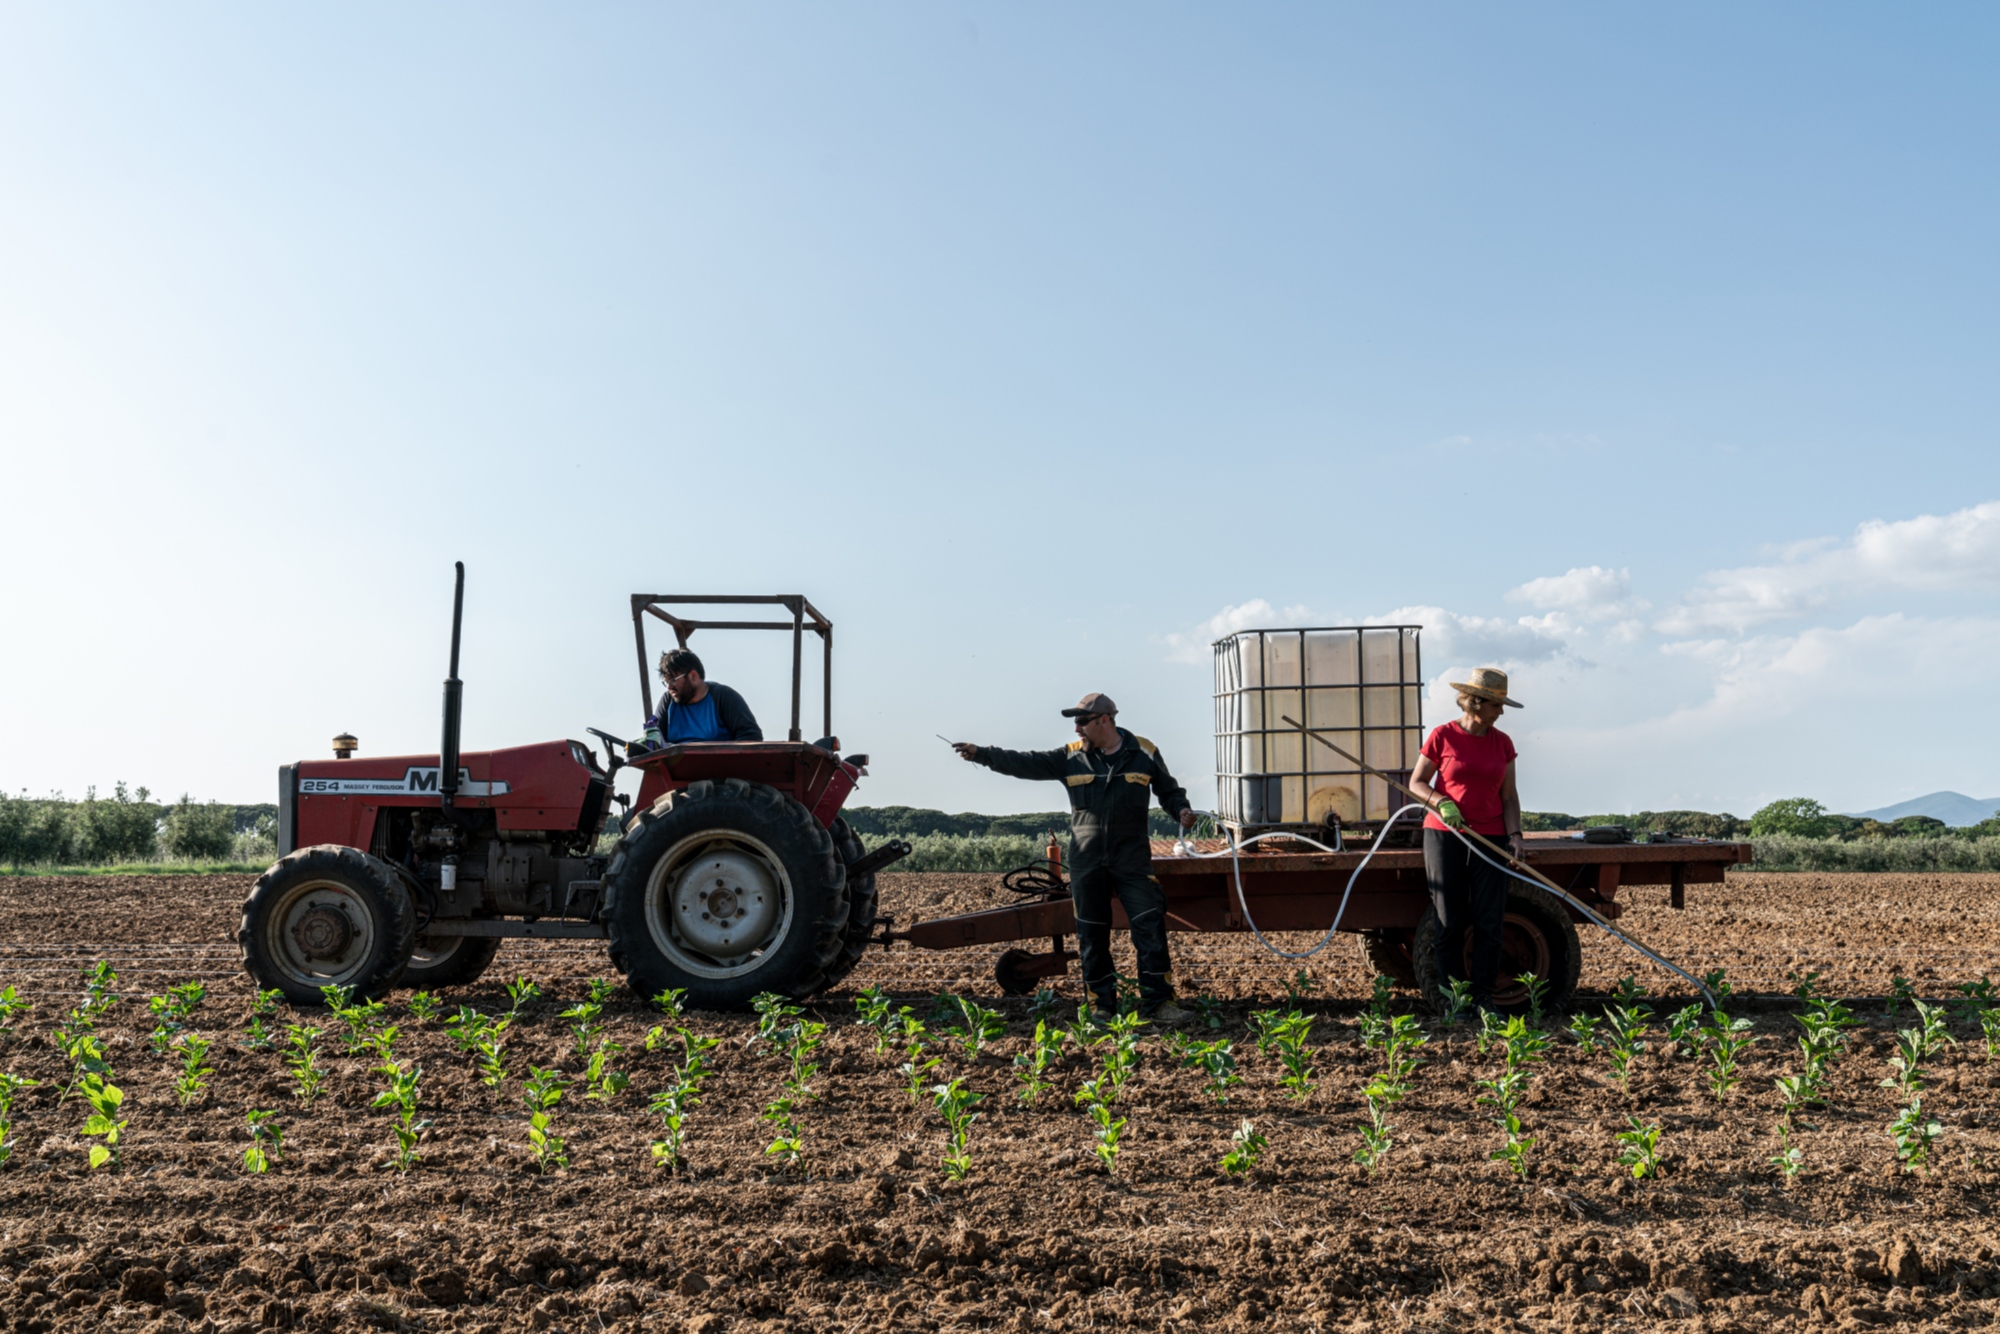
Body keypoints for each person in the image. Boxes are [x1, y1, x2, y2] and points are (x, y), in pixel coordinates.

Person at [954, 693, 1197, 1021]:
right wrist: (983, 754)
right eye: (1075, 722)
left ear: (1105, 721)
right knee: (1092, 936)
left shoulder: (1144, 751)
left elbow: (1167, 789)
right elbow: (1024, 762)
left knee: (1149, 927)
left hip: (1132, 859)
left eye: (1082, 721)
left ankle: (1160, 1005)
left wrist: (1180, 808)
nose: (1076, 728)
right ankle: (1101, 1009)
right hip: (1087, 861)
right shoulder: (1070, 758)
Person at [1407, 666, 1526, 1010]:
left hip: (1491, 838)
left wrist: (1515, 835)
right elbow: (1416, 784)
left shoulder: (1503, 743)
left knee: (1489, 921)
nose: (1500, 713)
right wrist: (1441, 802)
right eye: (1495, 705)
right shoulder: (1442, 736)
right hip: (1445, 835)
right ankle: (1454, 1001)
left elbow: (1509, 797)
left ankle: (1483, 998)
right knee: (1450, 919)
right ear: (1475, 703)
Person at [631, 649, 763, 752]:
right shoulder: (668, 701)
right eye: (666, 682)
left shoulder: (723, 697)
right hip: (678, 774)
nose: (669, 687)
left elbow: (751, 736)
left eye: (672, 680)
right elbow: (654, 738)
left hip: (721, 775)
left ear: (693, 676)